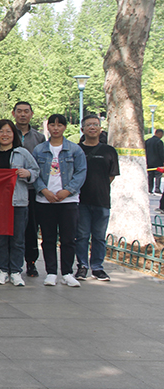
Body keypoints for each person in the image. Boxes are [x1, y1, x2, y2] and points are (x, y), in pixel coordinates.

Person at [32, 114, 87, 287]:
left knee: (68, 238)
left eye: (59, 125)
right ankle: (51, 272)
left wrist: (68, 191)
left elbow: (81, 172)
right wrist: (44, 190)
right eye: (52, 125)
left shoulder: (74, 150)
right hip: (45, 200)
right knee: (48, 238)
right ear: (48, 127)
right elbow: (34, 172)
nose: (56, 128)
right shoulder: (39, 150)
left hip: (68, 201)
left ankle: (67, 273)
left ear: (65, 127)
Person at [0, 120, 39, 286]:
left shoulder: (22, 153)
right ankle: (2, 270)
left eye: (8, 131)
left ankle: (16, 271)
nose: (4, 135)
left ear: (14, 134)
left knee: (18, 238)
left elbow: (35, 171)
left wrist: (28, 173)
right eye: (1, 131)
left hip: (18, 202)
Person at [75, 114, 119, 282]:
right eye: (88, 125)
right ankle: (82, 266)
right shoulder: (76, 150)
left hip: (102, 200)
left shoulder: (109, 151)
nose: (92, 127)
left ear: (100, 129)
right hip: (80, 200)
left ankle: (97, 267)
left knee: (99, 237)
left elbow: (111, 175)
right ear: (82, 129)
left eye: (95, 124)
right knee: (82, 235)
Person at [13, 101, 46, 278]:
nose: (23, 114)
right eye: (19, 111)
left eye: (26, 111)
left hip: (32, 189)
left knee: (31, 228)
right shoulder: (8, 132)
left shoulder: (39, 137)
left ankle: (31, 262)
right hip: (11, 189)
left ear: (31, 114)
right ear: (14, 114)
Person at [146, 129, 164, 194]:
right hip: (158, 162)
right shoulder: (159, 142)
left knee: (150, 176)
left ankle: (150, 189)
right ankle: (157, 189)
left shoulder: (147, 141)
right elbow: (161, 153)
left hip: (149, 162)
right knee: (158, 176)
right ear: (160, 134)